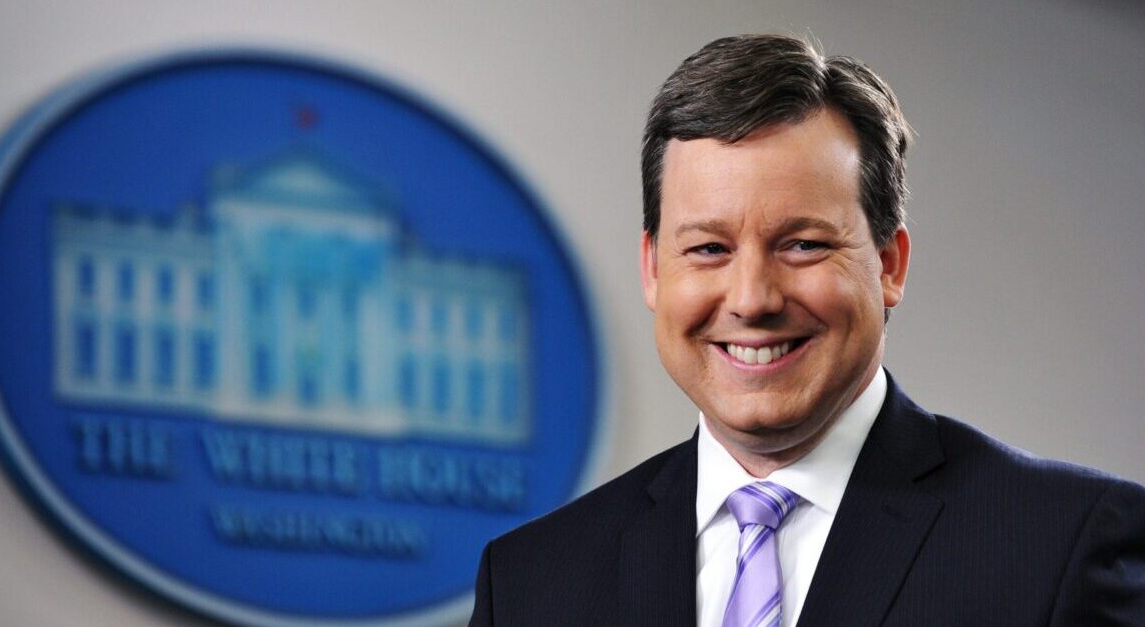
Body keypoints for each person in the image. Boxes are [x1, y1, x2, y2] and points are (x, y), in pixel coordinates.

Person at [468, 34, 1145, 627]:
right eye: (708, 248)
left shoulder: (1062, 545)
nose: (753, 298)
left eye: (802, 245)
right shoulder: (530, 584)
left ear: (888, 264)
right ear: (652, 270)